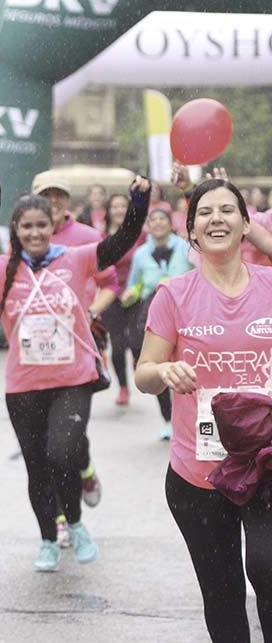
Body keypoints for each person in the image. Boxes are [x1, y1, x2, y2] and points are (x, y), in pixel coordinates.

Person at [0, 180, 148, 572]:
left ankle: (75, 522)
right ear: (15, 230)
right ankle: (47, 540)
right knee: (37, 466)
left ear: (52, 226)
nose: (35, 233)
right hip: (23, 386)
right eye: (27, 226)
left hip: (72, 380)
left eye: (42, 225)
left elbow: (121, 242)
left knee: (62, 453)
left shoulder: (75, 258)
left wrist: (138, 203)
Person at [135, 178, 272, 641]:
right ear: (190, 230)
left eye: (227, 210)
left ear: (246, 224)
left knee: (268, 570)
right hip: (199, 475)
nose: (217, 219)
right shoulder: (174, 295)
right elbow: (144, 373)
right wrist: (165, 370)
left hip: (266, 465)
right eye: (205, 212)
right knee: (223, 592)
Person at [32, 170, 110, 516]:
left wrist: (89, 313)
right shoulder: (25, 236)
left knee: (68, 435)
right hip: (35, 352)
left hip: (79, 345)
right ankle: (60, 517)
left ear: (67, 201)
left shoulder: (87, 236)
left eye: (58, 196)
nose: (52, 202)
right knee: (45, 441)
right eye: (45, 196)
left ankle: (85, 469)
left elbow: (111, 283)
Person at [121, 208, 193, 440]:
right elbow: (134, 284)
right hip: (153, 309)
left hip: (186, 309)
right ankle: (168, 420)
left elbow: (200, 272)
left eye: (163, 219)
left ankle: (191, 418)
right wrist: (129, 294)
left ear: (170, 223)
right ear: (148, 226)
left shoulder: (186, 248)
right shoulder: (141, 254)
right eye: (154, 220)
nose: (159, 223)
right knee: (158, 367)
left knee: (187, 364)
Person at [98, 192, 146, 407]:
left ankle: (139, 362)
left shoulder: (140, 234)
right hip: (111, 297)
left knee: (137, 340)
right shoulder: (100, 237)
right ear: (108, 211)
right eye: (115, 206)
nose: (119, 210)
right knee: (117, 347)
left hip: (136, 295)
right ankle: (124, 388)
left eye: (123, 206)